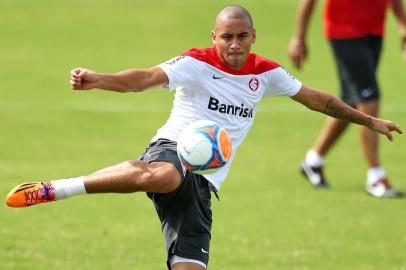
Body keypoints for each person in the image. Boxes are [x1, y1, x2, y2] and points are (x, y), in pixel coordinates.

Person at [5, 5, 402, 270]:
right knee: (164, 175)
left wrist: (370, 122)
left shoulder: (266, 73)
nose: (234, 44)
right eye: (226, 36)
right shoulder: (195, 62)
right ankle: (57, 189)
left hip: (205, 181)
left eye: (241, 36)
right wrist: (100, 80)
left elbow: (319, 100)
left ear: (253, 36)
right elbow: (144, 78)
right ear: (214, 36)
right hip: (173, 149)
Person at [288, 0, 406, 197]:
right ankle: (376, 177)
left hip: (374, 31)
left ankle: (313, 160)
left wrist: (403, 23)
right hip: (344, 32)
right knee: (369, 97)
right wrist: (299, 37)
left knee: (351, 101)